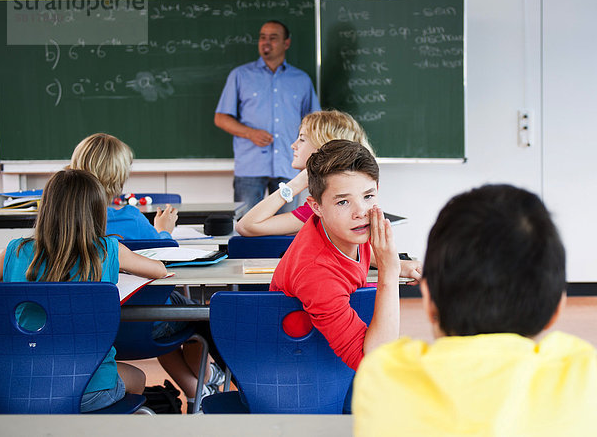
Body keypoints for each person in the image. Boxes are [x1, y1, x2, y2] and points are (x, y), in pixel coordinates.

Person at [353, 184, 597, 436]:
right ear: (557, 309)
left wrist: (389, 270)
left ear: (428, 301)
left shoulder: (384, 377)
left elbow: (378, 352)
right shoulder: (585, 378)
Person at [71, 132, 222, 412]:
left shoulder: (69, 227)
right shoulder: (130, 218)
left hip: (91, 332)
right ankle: (206, 383)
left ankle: (196, 388)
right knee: (192, 312)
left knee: (161, 309)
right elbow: (165, 263)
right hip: (147, 325)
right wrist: (163, 231)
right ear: (119, 175)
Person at [0, 169, 168, 412]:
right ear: (98, 212)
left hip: (16, 387)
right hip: (89, 390)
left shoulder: (14, 251)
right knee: (138, 377)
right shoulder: (108, 250)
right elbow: (159, 270)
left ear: (45, 208)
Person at [270, 140, 422, 374]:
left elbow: (354, 256)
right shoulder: (317, 274)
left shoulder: (345, 231)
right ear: (316, 207)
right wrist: (388, 273)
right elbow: (374, 365)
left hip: (331, 358)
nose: (360, 212)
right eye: (343, 201)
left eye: (368, 196)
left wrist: (400, 265)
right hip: (305, 375)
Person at [214, 20, 321, 213]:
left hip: (289, 166)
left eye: (273, 38)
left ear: (286, 43)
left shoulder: (301, 80)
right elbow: (221, 117)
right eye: (262, 37)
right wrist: (250, 133)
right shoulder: (240, 75)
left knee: (285, 232)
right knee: (245, 229)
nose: (266, 42)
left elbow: (315, 123)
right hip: (250, 167)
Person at [236, 110, 373, 237]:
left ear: (323, 147)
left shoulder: (324, 207)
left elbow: (246, 226)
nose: (293, 145)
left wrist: (296, 183)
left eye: (302, 139)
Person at [70, 133, 178, 240]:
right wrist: (163, 230)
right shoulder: (131, 220)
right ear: (119, 176)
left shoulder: (62, 219)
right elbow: (161, 249)